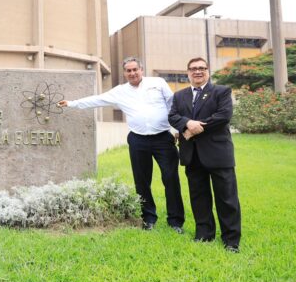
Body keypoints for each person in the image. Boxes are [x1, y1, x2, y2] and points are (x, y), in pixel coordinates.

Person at [58, 57, 185, 232]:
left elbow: (173, 105)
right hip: (138, 139)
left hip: (163, 138)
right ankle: (148, 218)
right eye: (128, 71)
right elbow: (97, 100)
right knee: (142, 182)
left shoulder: (158, 82)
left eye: (135, 69)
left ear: (141, 69)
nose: (132, 73)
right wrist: (72, 103)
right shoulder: (120, 91)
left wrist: (178, 128)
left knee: (171, 179)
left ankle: (176, 221)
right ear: (124, 73)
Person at [168, 57, 241, 252]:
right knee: (199, 197)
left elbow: (223, 116)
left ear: (208, 71)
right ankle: (204, 234)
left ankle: (231, 240)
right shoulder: (179, 95)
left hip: (218, 154)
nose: (197, 71)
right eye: (193, 69)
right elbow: (172, 116)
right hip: (192, 155)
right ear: (188, 72)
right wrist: (187, 123)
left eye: (201, 68)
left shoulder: (221, 91)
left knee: (226, 198)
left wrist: (191, 129)